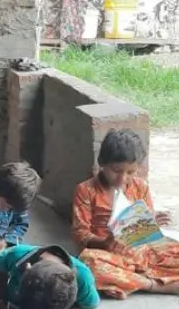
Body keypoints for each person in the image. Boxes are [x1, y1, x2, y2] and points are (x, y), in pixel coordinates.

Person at [73, 128, 179, 299]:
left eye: (130, 172)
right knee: (87, 262)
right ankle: (153, 285)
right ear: (102, 163)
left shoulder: (140, 186)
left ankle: (124, 281)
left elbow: (144, 225)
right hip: (109, 254)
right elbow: (80, 233)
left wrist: (152, 223)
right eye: (116, 171)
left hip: (143, 252)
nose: (123, 178)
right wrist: (105, 242)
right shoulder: (86, 190)